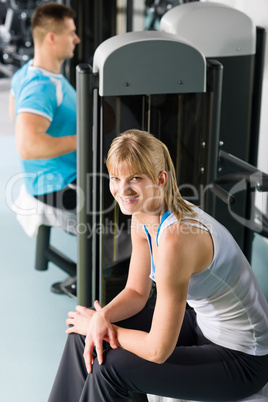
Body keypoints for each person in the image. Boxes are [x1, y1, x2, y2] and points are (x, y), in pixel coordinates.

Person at [48, 129, 268, 402]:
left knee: (110, 368)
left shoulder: (178, 240)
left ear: (160, 179)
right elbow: (137, 293)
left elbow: (158, 350)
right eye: (115, 178)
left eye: (135, 178)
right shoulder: (142, 216)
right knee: (82, 338)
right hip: (202, 328)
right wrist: (102, 317)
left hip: (243, 359)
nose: (122, 189)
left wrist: (102, 326)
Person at [9, 2, 80, 294]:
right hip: (61, 186)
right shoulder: (42, 86)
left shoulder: (27, 73)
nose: (76, 39)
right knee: (139, 202)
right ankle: (99, 281)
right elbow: (27, 145)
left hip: (51, 179)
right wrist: (91, 139)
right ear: (52, 37)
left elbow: (16, 118)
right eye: (71, 33)